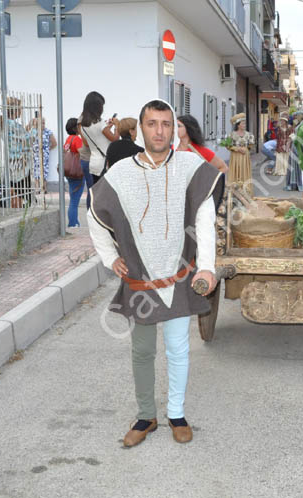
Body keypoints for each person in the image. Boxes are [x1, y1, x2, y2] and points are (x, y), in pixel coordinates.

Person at [86, 99, 224, 448]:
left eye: (166, 123)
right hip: (140, 279)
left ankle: (176, 414)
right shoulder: (120, 172)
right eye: (152, 124)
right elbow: (94, 213)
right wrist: (108, 256)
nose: (159, 130)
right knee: (142, 350)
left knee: (178, 348)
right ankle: (146, 416)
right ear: (142, 128)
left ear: (173, 127)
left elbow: (206, 220)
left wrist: (206, 267)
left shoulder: (191, 166)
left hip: (177, 276)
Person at [79, 91, 118, 184]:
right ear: (97, 108)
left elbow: (86, 144)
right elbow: (115, 139)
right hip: (105, 164)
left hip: (94, 164)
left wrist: (107, 128)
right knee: (107, 194)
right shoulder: (100, 124)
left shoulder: (83, 126)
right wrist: (117, 126)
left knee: (98, 193)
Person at [63, 117, 90, 227]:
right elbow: (82, 152)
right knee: (74, 201)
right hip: (77, 172)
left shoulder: (68, 139)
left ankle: (74, 221)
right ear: (75, 128)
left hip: (69, 171)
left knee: (73, 199)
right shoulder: (77, 139)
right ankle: (73, 223)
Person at [29, 117, 57, 191]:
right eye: (41, 123)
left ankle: (43, 188)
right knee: (36, 171)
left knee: (44, 171)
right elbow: (29, 142)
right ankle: (37, 188)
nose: (43, 125)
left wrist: (46, 149)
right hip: (35, 155)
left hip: (44, 155)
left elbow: (54, 143)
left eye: (44, 123)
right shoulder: (33, 131)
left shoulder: (48, 132)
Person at [227, 113, 255, 187]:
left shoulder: (249, 135)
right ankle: (234, 189)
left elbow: (251, 144)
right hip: (235, 156)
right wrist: (237, 149)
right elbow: (228, 145)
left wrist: (246, 149)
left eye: (245, 124)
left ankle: (245, 189)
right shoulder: (232, 135)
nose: (244, 125)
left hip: (245, 156)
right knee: (236, 170)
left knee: (244, 171)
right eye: (243, 124)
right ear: (238, 125)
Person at [285, 112, 303, 191]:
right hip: (294, 147)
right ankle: (294, 183)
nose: (294, 118)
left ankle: (297, 184)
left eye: (295, 117)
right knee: (294, 165)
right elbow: (293, 133)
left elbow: (298, 136)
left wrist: (291, 139)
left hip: (297, 147)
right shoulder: (298, 125)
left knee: (297, 166)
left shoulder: (302, 125)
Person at [272, 112, 292, 176]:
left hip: (287, 145)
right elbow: (277, 137)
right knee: (280, 157)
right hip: (280, 145)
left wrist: (288, 144)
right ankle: (279, 170)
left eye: (283, 121)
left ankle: (285, 170)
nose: (282, 122)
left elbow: (292, 136)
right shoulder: (279, 128)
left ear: (286, 121)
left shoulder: (289, 128)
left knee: (286, 158)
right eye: (281, 121)